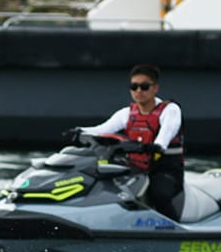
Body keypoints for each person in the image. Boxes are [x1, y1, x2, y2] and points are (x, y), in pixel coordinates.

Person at [71, 64, 185, 220]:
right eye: (134, 86)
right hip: (135, 169)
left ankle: (174, 232)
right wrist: (80, 131)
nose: (139, 91)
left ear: (155, 88)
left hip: (165, 170)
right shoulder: (127, 113)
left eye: (144, 86)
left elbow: (166, 134)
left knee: (159, 194)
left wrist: (157, 146)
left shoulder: (170, 110)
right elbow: (102, 129)